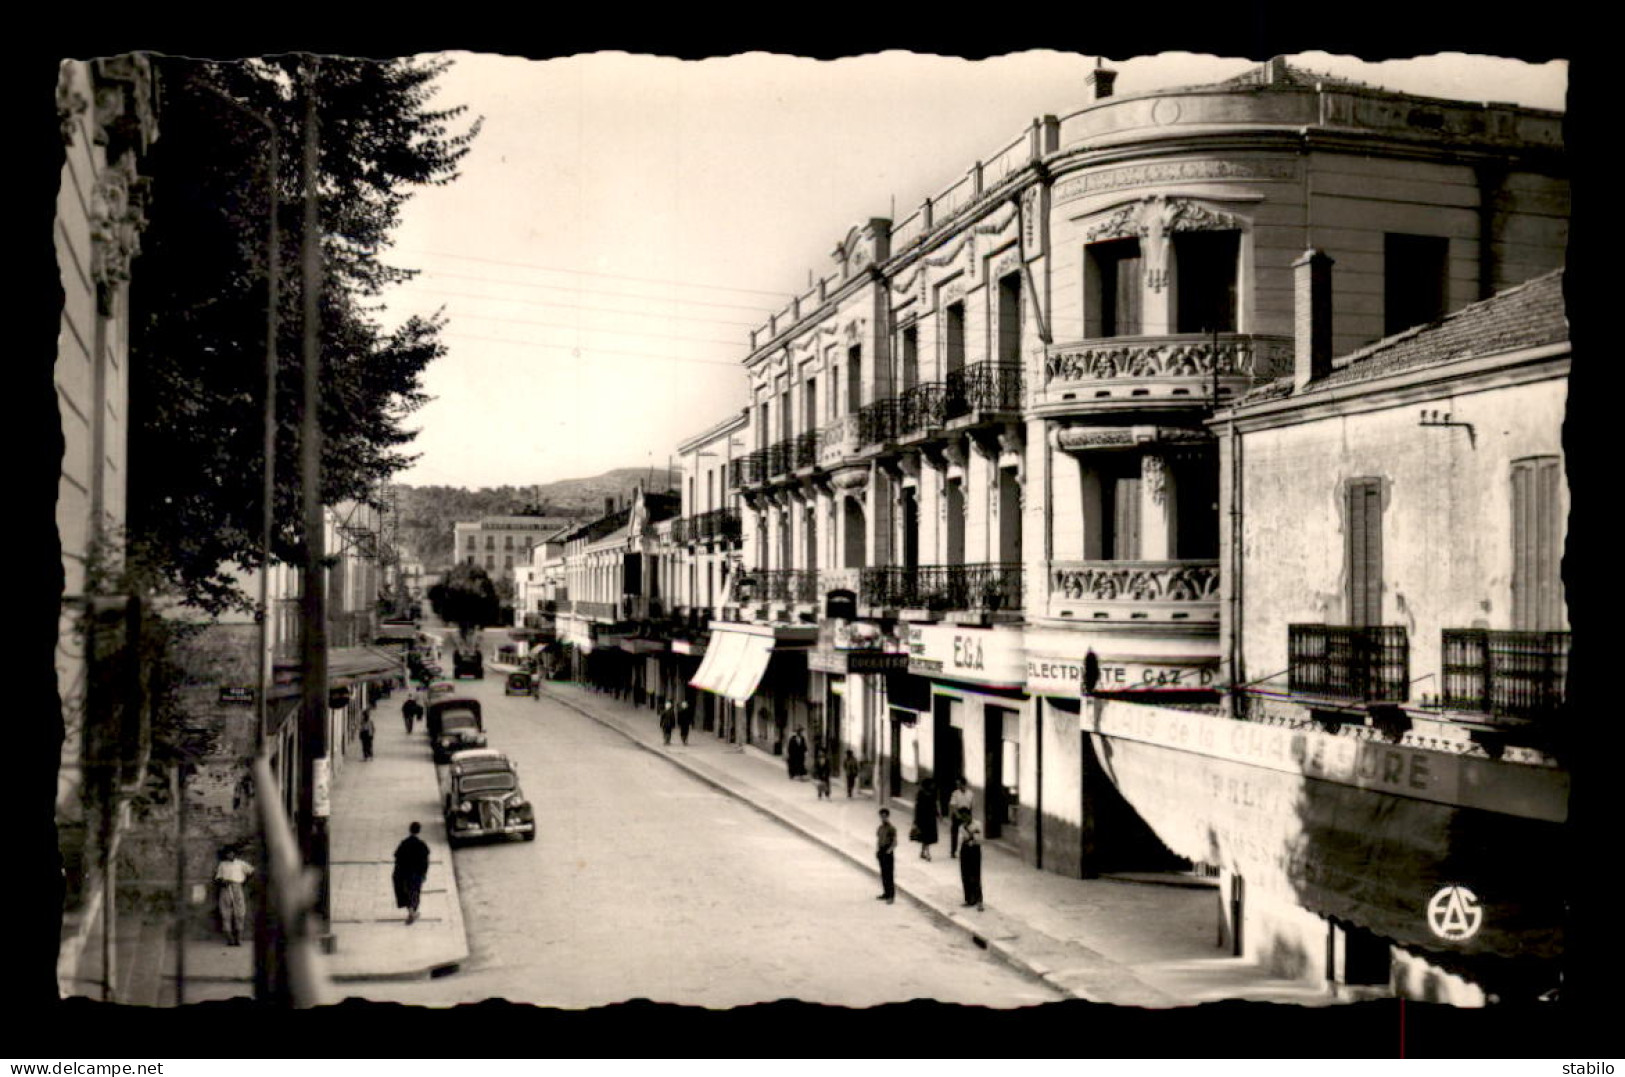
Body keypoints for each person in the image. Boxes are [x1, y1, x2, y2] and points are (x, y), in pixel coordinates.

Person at [393, 821, 431, 926]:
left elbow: (397, 857)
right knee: (415, 893)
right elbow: (425, 861)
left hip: (405, 873)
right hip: (417, 874)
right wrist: (424, 874)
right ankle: (412, 912)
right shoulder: (421, 845)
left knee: (406, 892)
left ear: (410, 830)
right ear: (419, 831)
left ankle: (411, 912)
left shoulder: (404, 843)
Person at [214, 848, 254, 946]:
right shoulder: (222, 865)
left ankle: (238, 939)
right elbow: (218, 878)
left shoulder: (240, 864)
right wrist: (222, 881)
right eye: (228, 853)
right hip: (226, 888)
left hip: (237, 887)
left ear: (235, 854)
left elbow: (251, 871)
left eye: (231, 853)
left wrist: (244, 882)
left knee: (240, 912)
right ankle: (229, 939)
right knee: (225, 912)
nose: (230, 855)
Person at [957, 807, 984, 910]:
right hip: (965, 850)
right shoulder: (961, 827)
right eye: (962, 817)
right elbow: (961, 840)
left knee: (976, 875)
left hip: (975, 851)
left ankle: (979, 900)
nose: (964, 819)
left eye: (965, 816)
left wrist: (970, 836)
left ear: (969, 815)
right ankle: (968, 899)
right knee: (965, 875)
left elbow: (979, 839)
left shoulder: (977, 824)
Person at [912, 778, 939, 860]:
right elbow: (917, 807)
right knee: (926, 836)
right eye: (931, 784)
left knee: (926, 837)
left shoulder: (933, 793)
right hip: (923, 818)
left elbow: (934, 805)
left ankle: (923, 852)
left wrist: (937, 814)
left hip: (931, 818)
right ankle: (927, 853)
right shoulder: (921, 794)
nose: (933, 786)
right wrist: (916, 820)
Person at [875, 808, 897, 904]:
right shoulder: (880, 828)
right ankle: (886, 893)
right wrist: (878, 851)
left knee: (889, 875)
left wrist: (889, 851)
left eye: (885, 816)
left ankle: (891, 896)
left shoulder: (891, 828)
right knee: (883, 874)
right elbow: (879, 839)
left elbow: (895, 842)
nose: (883, 818)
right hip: (881, 851)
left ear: (887, 816)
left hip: (887, 852)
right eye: (881, 816)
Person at [948, 777, 974, 858]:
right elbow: (953, 805)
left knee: (969, 832)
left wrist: (969, 816)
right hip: (958, 812)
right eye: (957, 784)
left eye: (959, 784)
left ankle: (968, 850)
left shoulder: (970, 793)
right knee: (954, 833)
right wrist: (957, 815)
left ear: (964, 784)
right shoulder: (955, 793)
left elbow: (971, 806)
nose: (958, 786)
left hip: (966, 812)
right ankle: (953, 851)